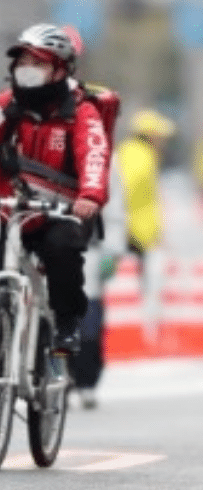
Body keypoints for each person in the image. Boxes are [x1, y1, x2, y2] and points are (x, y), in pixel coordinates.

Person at [0, 23, 112, 355]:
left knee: (62, 249)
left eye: (37, 63)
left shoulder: (81, 111)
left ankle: (67, 324)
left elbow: (94, 154)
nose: (27, 71)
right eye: (22, 63)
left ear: (59, 69)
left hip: (59, 212)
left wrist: (90, 197)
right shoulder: (6, 106)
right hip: (11, 208)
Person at [68, 162, 127, 409]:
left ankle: (86, 382)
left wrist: (112, 252)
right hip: (44, 247)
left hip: (88, 252)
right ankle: (56, 376)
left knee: (88, 323)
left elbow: (114, 213)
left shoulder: (101, 160)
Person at [116, 109, 176, 343]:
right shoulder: (137, 157)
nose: (163, 141)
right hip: (133, 236)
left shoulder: (138, 154)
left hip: (139, 235)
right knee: (139, 291)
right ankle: (142, 338)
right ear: (150, 135)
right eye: (160, 136)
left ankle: (143, 336)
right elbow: (124, 194)